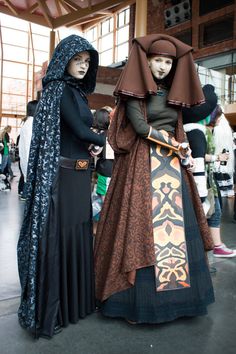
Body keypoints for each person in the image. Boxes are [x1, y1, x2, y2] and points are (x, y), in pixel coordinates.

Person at [94, 34, 214, 324]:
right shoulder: (135, 90)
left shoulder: (174, 91)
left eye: (168, 62)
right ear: (146, 61)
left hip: (171, 168)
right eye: (158, 60)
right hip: (141, 164)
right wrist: (175, 144)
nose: (162, 66)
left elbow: (184, 121)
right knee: (139, 228)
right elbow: (138, 127)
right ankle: (136, 305)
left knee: (178, 234)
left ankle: (179, 303)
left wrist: (181, 148)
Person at [17, 35, 105, 338]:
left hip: (80, 177)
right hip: (65, 180)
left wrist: (90, 145)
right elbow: (80, 129)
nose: (82, 66)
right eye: (77, 60)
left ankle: (76, 305)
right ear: (64, 59)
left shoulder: (77, 94)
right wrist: (105, 141)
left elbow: (77, 133)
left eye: (87, 62)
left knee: (78, 234)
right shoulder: (60, 89)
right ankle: (57, 310)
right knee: (65, 237)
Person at [183, 85, 236, 259]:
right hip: (201, 182)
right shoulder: (197, 130)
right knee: (206, 214)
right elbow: (199, 159)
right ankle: (205, 252)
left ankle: (212, 248)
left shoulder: (193, 129)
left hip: (203, 180)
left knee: (212, 213)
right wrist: (202, 193)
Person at [211, 106, 235, 198]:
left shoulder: (216, 128)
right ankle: (228, 191)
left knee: (220, 169)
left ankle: (222, 191)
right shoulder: (227, 128)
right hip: (226, 154)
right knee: (225, 169)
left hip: (219, 154)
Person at [18, 100, 38, 198]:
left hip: (25, 162)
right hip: (29, 162)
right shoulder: (31, 125)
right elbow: (29, 147)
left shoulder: (27, 123)